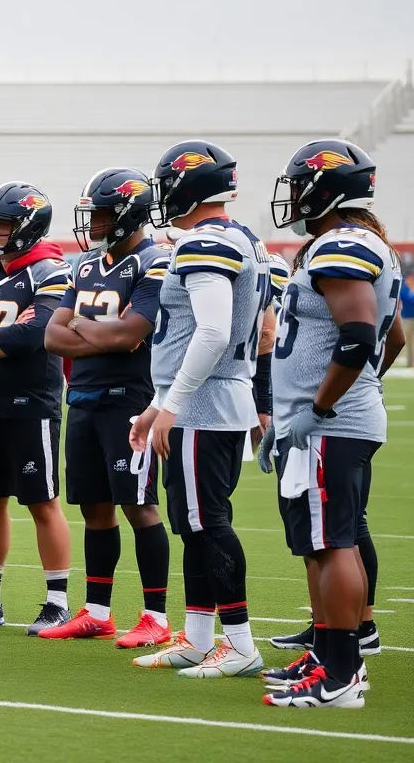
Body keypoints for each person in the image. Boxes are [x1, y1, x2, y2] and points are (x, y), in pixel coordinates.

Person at [258, 139, 404, 707]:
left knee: (332, 541)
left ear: (326, 187)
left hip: (328, 424)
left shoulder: (343, 243)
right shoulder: (359, 243)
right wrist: (351, 388)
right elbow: (393, 339)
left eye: (301, 185)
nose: (294, 197)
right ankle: (329, 657)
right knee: (320, 543)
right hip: (330, 419)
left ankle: (340, 676)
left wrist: (321, 406)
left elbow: (362, 335)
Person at [128, 140, 267, 678]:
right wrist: (158, 403)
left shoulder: (205, 241)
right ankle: (200, 637)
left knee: (208, 523)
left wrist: (174, 404)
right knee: (194, 524)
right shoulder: (239, 237)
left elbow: (210, 331)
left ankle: (239, 643)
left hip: (205, 406)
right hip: (208, 400)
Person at [41, 168, 172, 647]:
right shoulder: (87, 265)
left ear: (127, 214)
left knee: (140, 507)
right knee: (95, 510)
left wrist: (88, 331)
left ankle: (156, 616)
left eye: (100, 213)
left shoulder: (155, 262)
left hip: (130, 403)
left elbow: (131, 333)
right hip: (84, 399)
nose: (92, 223)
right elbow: (52, 336)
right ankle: (98, 611)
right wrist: (104, 337)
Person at [0, 182, 73, 634]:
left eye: (3, 225)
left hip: (30, 401)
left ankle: (57, 599)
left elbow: (33, 338)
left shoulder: (50, 271)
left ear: (28, 226)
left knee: (42, 502)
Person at [402, 271, 414, 367]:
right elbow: (405, 299)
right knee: (408, 341)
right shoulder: (404, 290)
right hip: (406, 318)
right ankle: (410, 362)